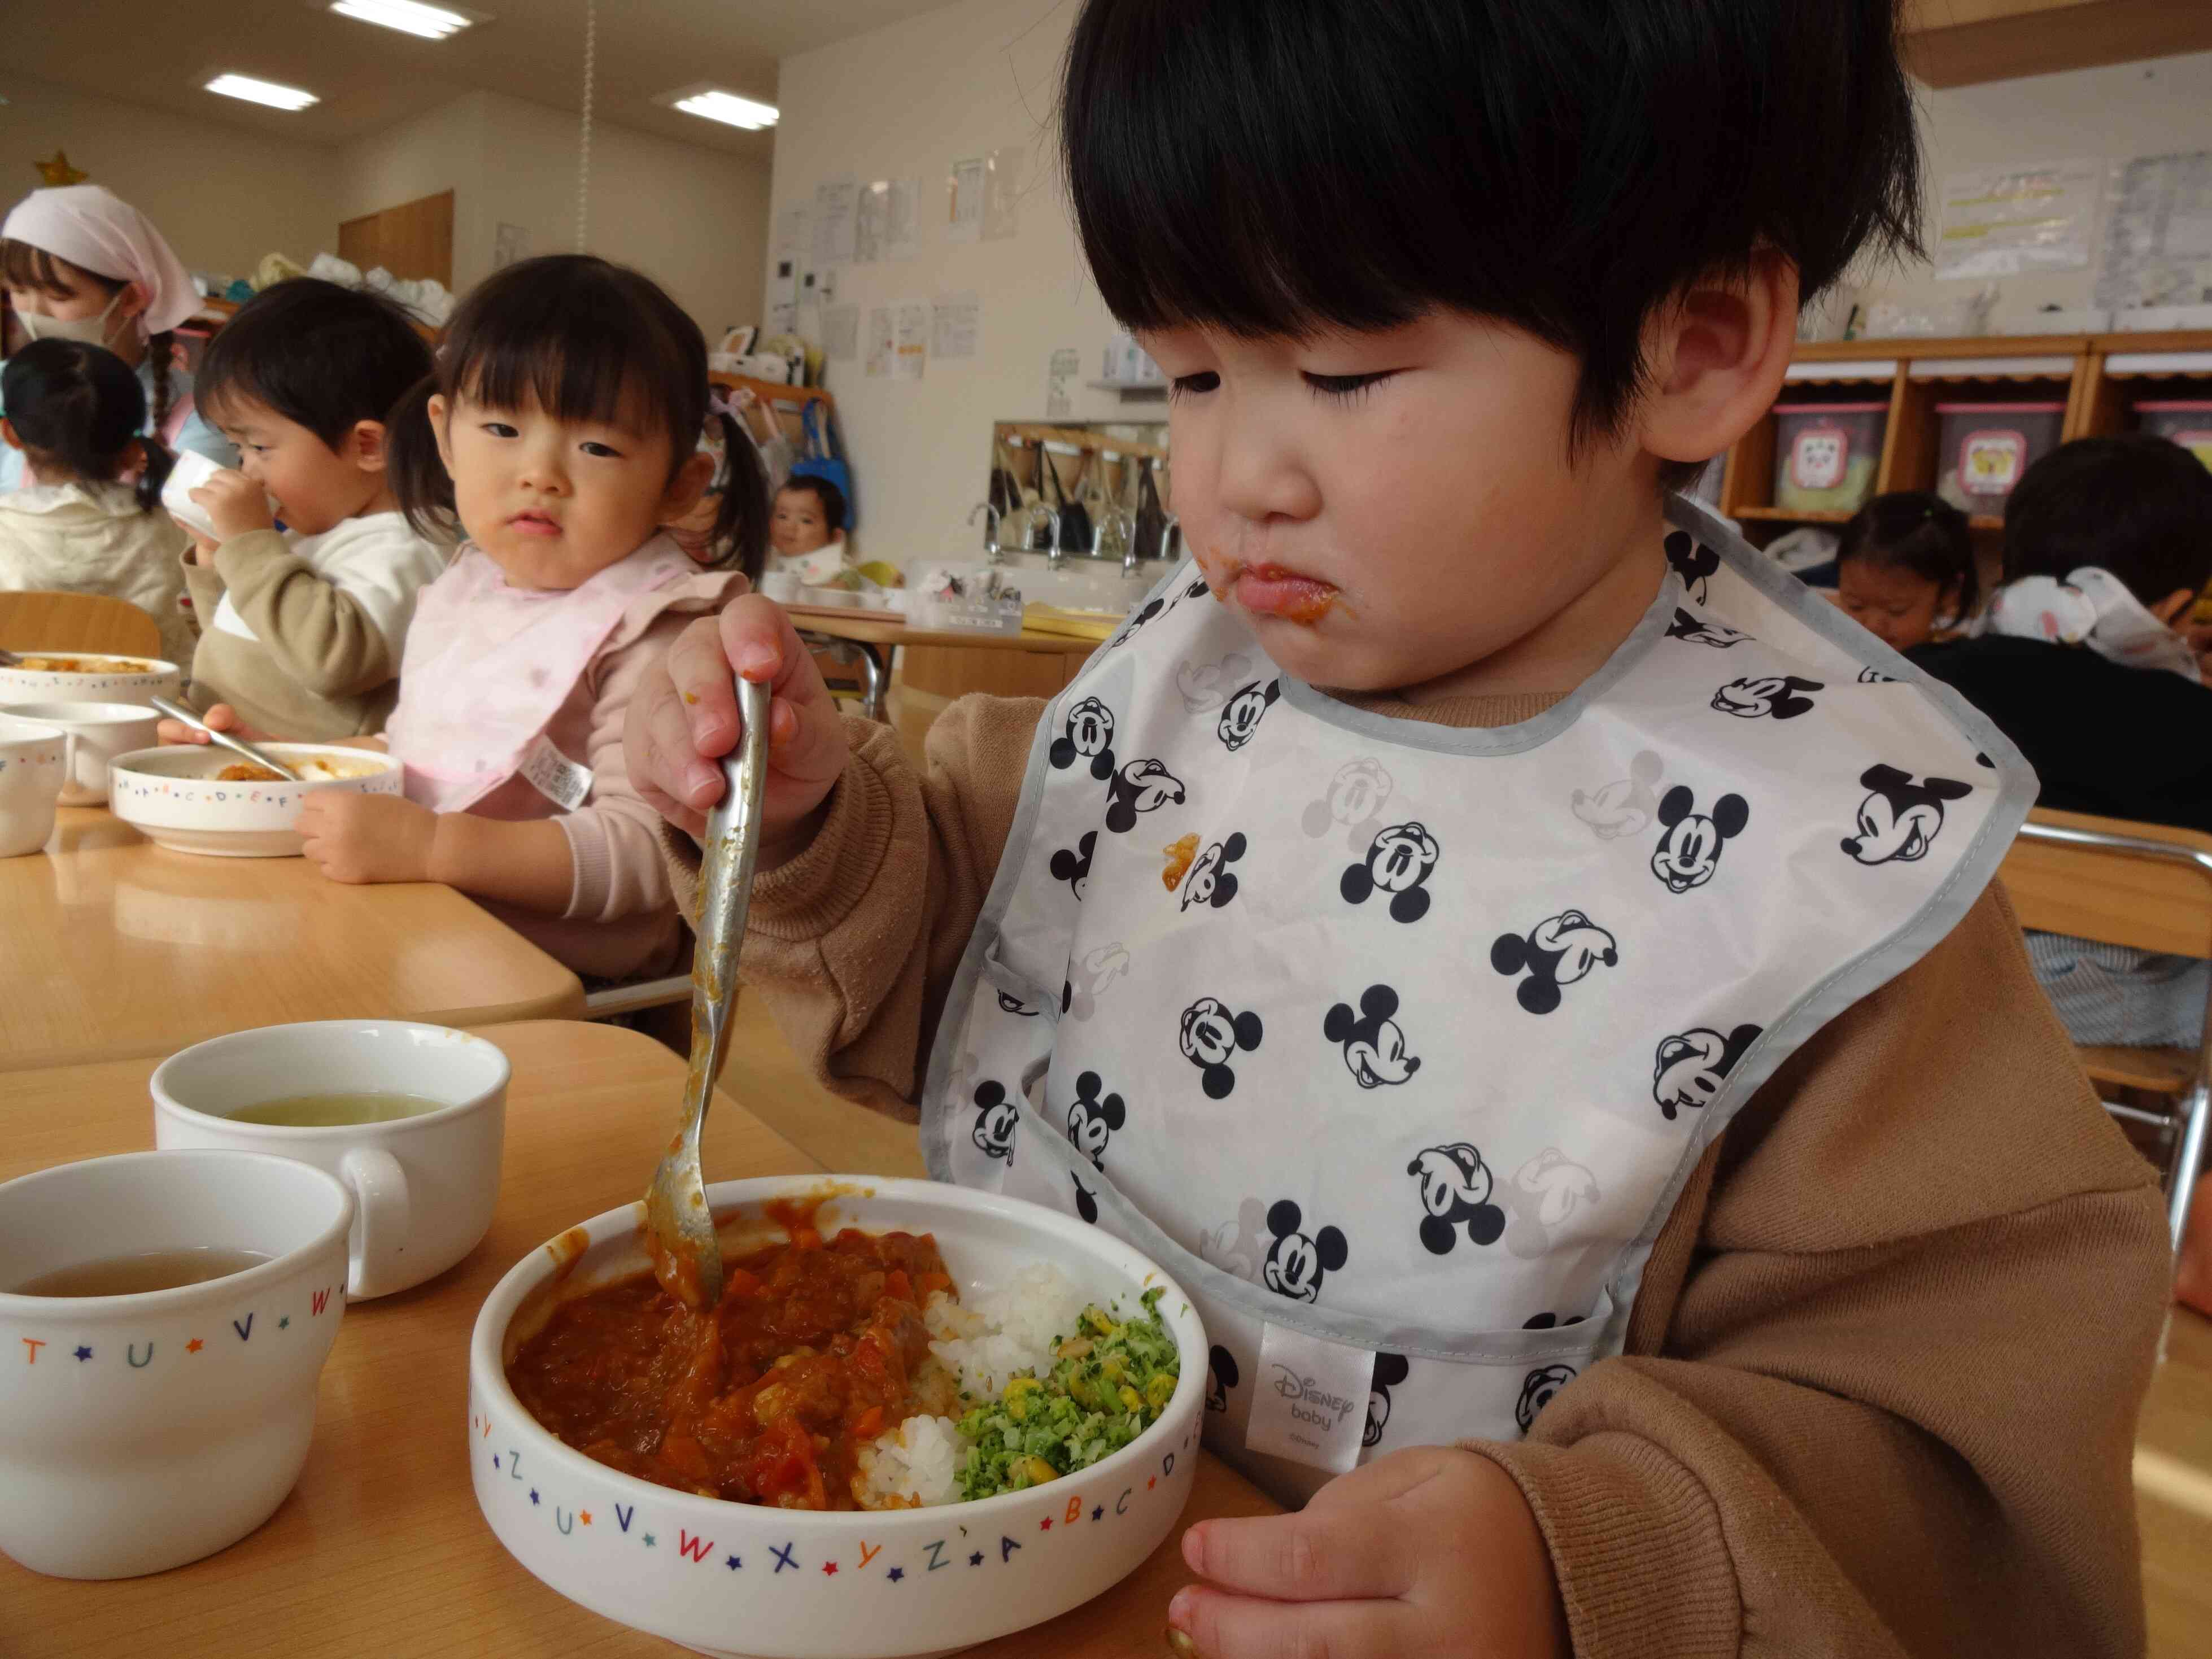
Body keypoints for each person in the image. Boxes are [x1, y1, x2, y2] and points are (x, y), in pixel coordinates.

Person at [627, 4, 2168, 1655]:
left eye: (1344, 370)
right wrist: (795, 814)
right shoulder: (1183, 686)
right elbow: (971, 931)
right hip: (1010, 1568)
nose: (1231, 479)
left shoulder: (1813, 855)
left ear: (1693, 344)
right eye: (1192, 374)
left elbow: (1947, 1460)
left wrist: (1584, 1558)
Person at [167, 255, 765, 983]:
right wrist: (290, 764)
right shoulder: (468, 582)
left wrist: (432, 849)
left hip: (565, 989)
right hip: (419, 924)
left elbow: (649, 858)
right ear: (446, 436)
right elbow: (426, 747)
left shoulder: (663, 628)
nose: (539, 473)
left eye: (597, 446)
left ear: (679, 486)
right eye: (504, 429)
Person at [175, 278, 445, 740]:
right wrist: (215, 562)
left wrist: (248, 545)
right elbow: (246, 639)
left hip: (303, 786)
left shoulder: (407, 548)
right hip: (231, 756)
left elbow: (329, 662)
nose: (249, 472)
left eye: (260, 446)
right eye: (237, 449)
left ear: (367, 445)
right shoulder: (304, 531)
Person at [0, 184, 235, 491]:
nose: (32, 312)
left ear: (130, 299)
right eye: (18, 292)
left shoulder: (199, 416)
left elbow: (191, 534)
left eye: (57, 296)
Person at [0, 340, 195, 665]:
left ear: (10, 434)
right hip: (147, 706)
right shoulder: (173, 528)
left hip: (18, 708)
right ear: (134, 450)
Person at [1833, 490, 1978, 652]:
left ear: (1949, 594)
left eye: (1896, 610)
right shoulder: (1830, 650)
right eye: (1855, 606)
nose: (1872, 626)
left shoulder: (1947, 665)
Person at [767, 475, 849, 583]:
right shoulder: (767, 557)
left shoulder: (835, 567)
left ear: (834, 536)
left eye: (806, 521)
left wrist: (840, 585)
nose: (789, 526)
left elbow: (852, 579)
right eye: (782, 516)